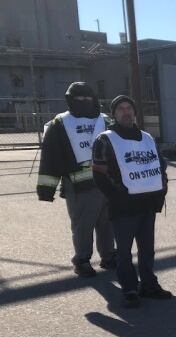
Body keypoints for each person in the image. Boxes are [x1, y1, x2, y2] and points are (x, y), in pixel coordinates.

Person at [92, 95, 171, 308]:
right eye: (121, 109)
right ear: (114, 114)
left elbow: (160, 166)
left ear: (134, 112)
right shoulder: (105, 139)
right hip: (123, 207)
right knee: (124, 252)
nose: (126, 112)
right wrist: (116, 196)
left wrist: (161, 192)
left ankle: (149, 284)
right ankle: (129, 288)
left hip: (147, 204)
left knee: (147, 249)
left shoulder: (147, 138)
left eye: (129, 108)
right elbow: (99, 173)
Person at [36, 82, 116, 277]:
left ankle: (108, 256)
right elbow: (51, 157)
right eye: (78, 99)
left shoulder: (105, 120)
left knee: (108, 223)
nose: (83, 102)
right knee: (83, 226)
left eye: (87, 99)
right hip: (79, 186)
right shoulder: (60, 123)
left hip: (108, 184)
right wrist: (47, 188)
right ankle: (82, 260)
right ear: (70, 101)